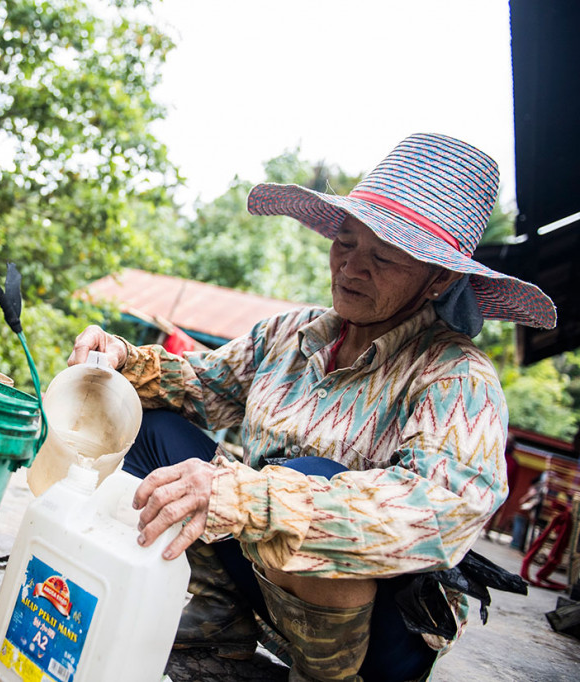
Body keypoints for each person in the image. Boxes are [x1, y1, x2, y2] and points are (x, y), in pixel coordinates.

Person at [68, 133, 557, 682]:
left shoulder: (457, 376)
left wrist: (258, 494)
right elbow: (199, 385)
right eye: (345, 243)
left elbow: (441, 509)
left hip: (380, 631)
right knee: (147, 423)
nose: (351, 268)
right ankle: (218, 626)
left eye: (383, 257)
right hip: (264, 574)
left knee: (308, 477)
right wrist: (124, 360)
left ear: (437, 278)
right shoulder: (290, 333)